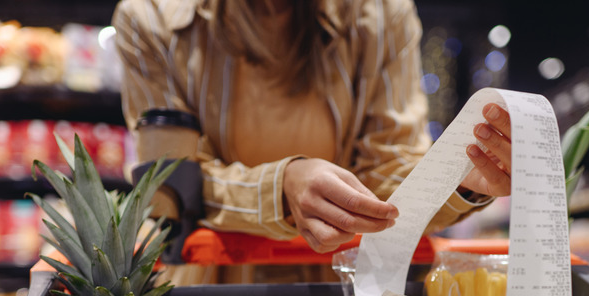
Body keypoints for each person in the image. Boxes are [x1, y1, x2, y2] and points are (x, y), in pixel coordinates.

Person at [111, 0, 512, 255]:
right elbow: (169, 190)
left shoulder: (382, 14)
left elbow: (388, 175)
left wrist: (459, 179)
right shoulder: (150, 18)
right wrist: (281, 188)